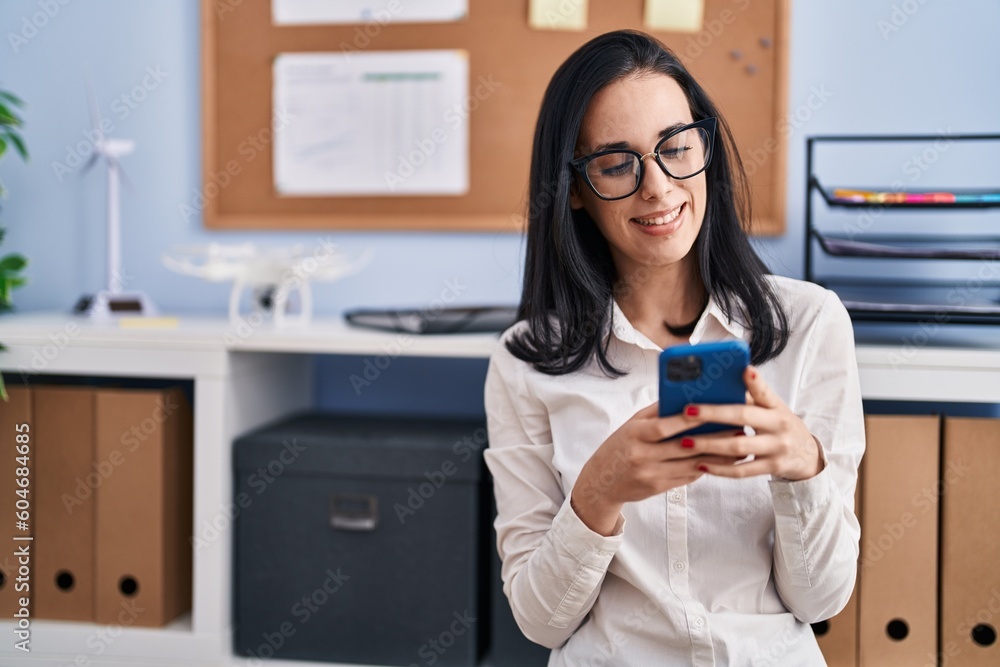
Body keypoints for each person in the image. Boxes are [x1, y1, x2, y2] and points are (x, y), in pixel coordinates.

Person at [483, 30, 865, 666]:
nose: (657, 188)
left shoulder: (810, 322)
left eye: (676, 148)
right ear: (574, 188)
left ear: (704, 149)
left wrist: (802, 464)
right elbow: (541, 622)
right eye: (615, 163)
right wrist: (598, 493)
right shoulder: (525, 358)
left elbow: (821, 599)